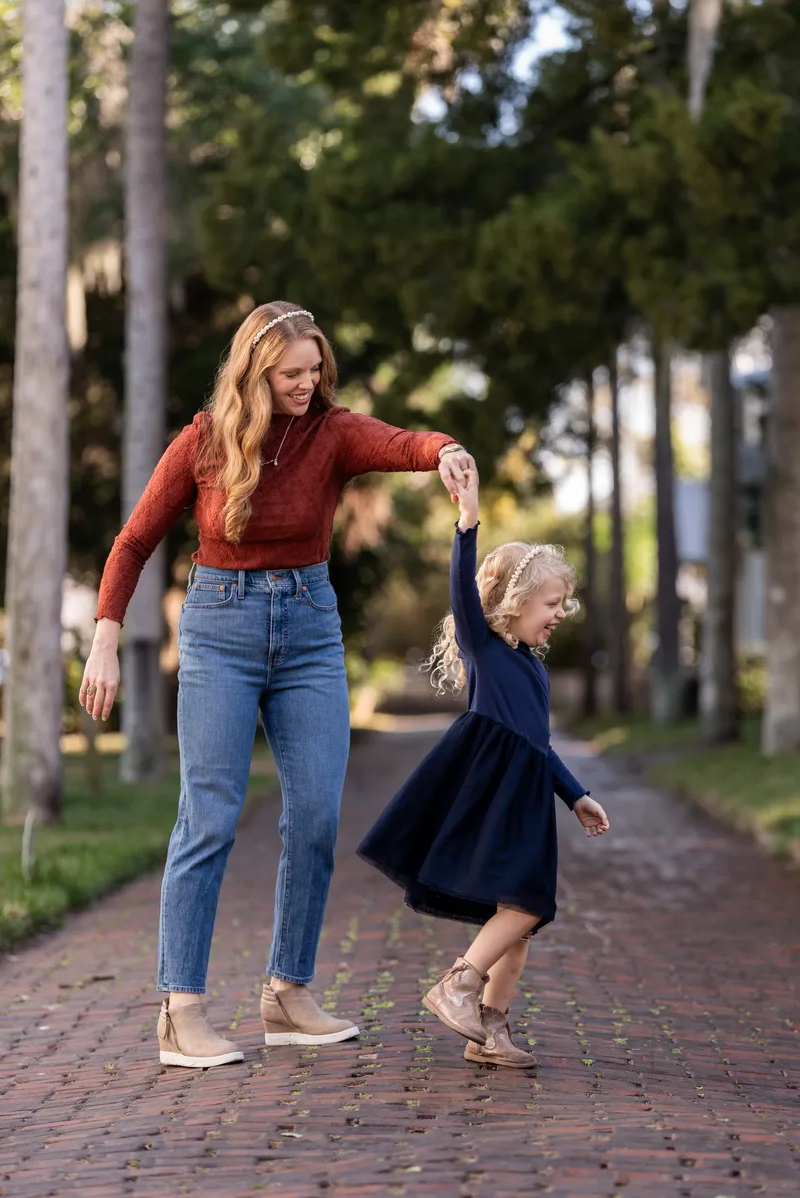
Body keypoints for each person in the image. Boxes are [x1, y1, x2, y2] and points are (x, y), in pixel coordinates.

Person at [80, 301, 476, 1068]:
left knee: (319, 815)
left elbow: (401, 443)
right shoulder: (203, 442)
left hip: (309, 632)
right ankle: (181, 1010)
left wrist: (447, 450)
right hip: (220, 631)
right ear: (255, 373)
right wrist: (104, 639)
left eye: (314, 370)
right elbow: (133, 542)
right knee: (210, 816)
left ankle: (287, 994)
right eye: (292, 373)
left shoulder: (331, 432)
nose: (307, 383)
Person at [358, 467, 609, 1068]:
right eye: (551, 604)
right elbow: (462, 597)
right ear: (516, 604)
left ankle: (489, 1034)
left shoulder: (534, 668)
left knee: (518, 932)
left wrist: (575, 796)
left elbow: (539, 747)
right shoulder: (488, 652)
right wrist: (467, 521)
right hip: (494, 802)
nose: (559, 614)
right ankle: (458, 983)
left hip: (525, 803)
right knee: (525, 905)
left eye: (562, 605)